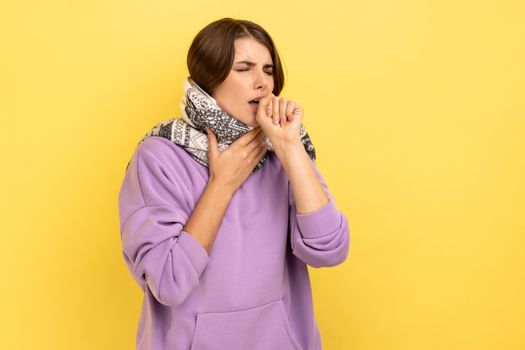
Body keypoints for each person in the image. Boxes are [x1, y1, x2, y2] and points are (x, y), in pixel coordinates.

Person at [118, 17, 350, 350]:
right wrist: (222, 184)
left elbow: (330, 249)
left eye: (268, 70)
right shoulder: (157, 157)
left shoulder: (282, 151)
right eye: (244, 68)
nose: (262, 83)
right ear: (208, 80)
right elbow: (169, 281)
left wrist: (289, 146)